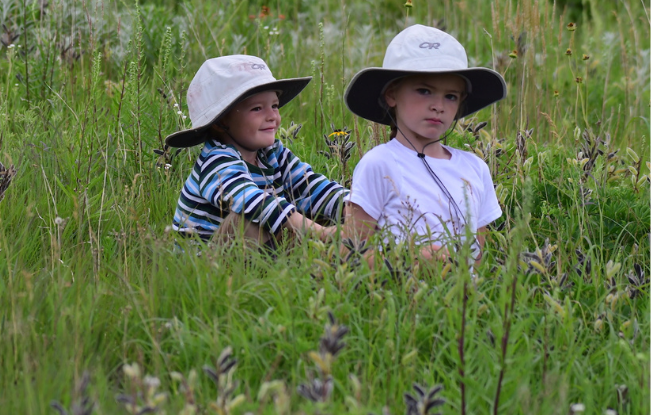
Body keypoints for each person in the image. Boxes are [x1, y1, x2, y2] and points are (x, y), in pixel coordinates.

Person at [341, 24, 507, 265]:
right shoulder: (379, 164)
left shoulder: (475, 168)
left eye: (450, 96)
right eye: (424, 91)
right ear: (392, 95)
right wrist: (412, 259)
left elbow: (477, 258)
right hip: (399, 297)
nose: (438, 105)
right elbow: (352, 252)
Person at [166, 55, 348, 248]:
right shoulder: (216, 162)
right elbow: (255, 203)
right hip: (210, 266)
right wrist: (321, 233)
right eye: (257, 108)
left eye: (275, 106)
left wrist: (354, 208)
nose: (272, 116)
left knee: (318, 209)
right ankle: (315, 258)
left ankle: (335, 254)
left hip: (261, 250)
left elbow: (309, 185)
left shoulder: (272, 153)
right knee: (247, 219)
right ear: (221, 122)